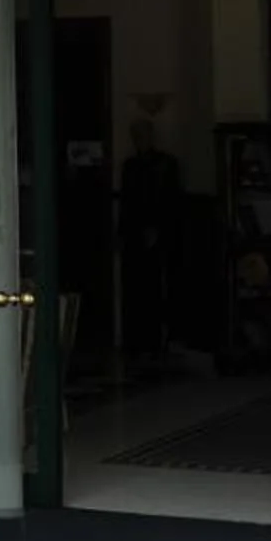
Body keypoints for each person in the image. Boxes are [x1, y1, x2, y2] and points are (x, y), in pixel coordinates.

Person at [118, 119, 184, 366]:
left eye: (142, 135)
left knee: (154, 290)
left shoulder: (165, 165)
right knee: (135, 290)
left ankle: (154, 342)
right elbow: (127, 202)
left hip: (158, 234)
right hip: (134, 235)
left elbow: (169, 200)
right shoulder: (130, 166)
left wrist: (158, 229)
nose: (139, 140)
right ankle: (136, 342)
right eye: (135, 135)